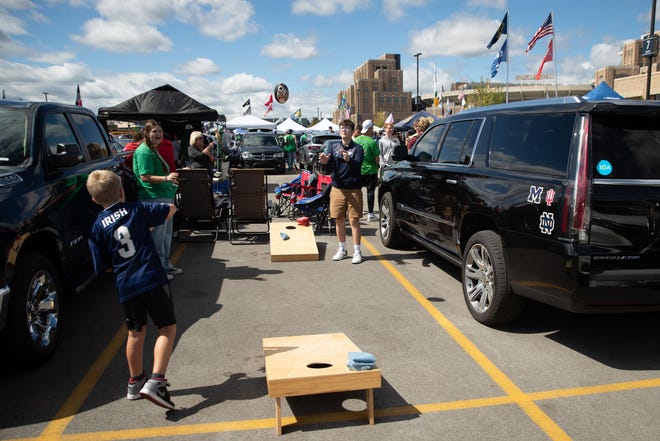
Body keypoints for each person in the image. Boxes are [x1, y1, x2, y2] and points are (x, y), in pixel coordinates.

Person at [86, 170, 177, 410]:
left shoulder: (96, 227)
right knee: (167, 327)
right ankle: (157, 380)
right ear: (121, 191)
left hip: (125, 284)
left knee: (136, 333)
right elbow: (170, 209)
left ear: (94, 200)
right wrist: (146, 229)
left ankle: (136, 381)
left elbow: (102, 265)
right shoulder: (136, 210)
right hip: (151, 278)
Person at [133, 120, 182, 280]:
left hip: (163, 195)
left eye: (160, 131)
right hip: (153, 199)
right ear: (146, 133)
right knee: (157, 238)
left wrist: (168, 181)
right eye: (155, 131)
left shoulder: (152, 149)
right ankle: (158, 270)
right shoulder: (144, 152)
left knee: (166, 236)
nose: (159, 134)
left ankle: (165, 265)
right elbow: (145, 177)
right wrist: (166, 178)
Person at [319, 119, 364, 264]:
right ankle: (342, 249)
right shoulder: (334, 147)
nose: (344, 129)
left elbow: (357, 167)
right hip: (337, 188)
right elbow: (328, 169)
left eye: (347, 127)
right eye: (342, 127)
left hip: (353, 189)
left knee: (354, 220)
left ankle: (357, 251)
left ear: (352, 131)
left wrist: (348, 159)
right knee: (339, 219)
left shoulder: (358, 148)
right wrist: (325, 162)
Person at [354, 120, 379, 221]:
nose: (372, 130)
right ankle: (370, 213)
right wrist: (376, 166)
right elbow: (377, 158)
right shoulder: (372, 141)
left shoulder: (356, 140)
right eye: (372, 128)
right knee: (370, 192)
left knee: (357, 192)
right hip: (370, 171)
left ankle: (358, 211)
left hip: (358, 170)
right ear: (369, 129)